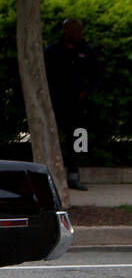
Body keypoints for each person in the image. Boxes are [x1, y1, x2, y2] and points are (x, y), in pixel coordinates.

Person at [45, 18, 102, 191]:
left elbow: (97, 75)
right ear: (65, 30)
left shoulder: (86, 51)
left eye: (78, 29)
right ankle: (53, 175)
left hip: (78, 105)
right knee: (54, 139)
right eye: (71, 29)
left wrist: (87, 92)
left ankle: (74, 175)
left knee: (78, 140)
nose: (75, 33)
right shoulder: (53, 51)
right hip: (57, 103)